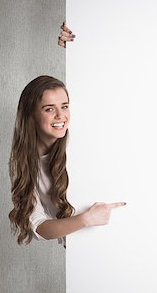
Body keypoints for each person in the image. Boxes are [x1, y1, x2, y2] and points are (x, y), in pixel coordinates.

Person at [9, 75, 126, 245]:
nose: (60, 116)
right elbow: (39, 228)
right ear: (31, 115)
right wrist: (86, 219)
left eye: (64, 106)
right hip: (79, 252)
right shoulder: (23, 164)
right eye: (49, 109)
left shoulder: (82, 144)